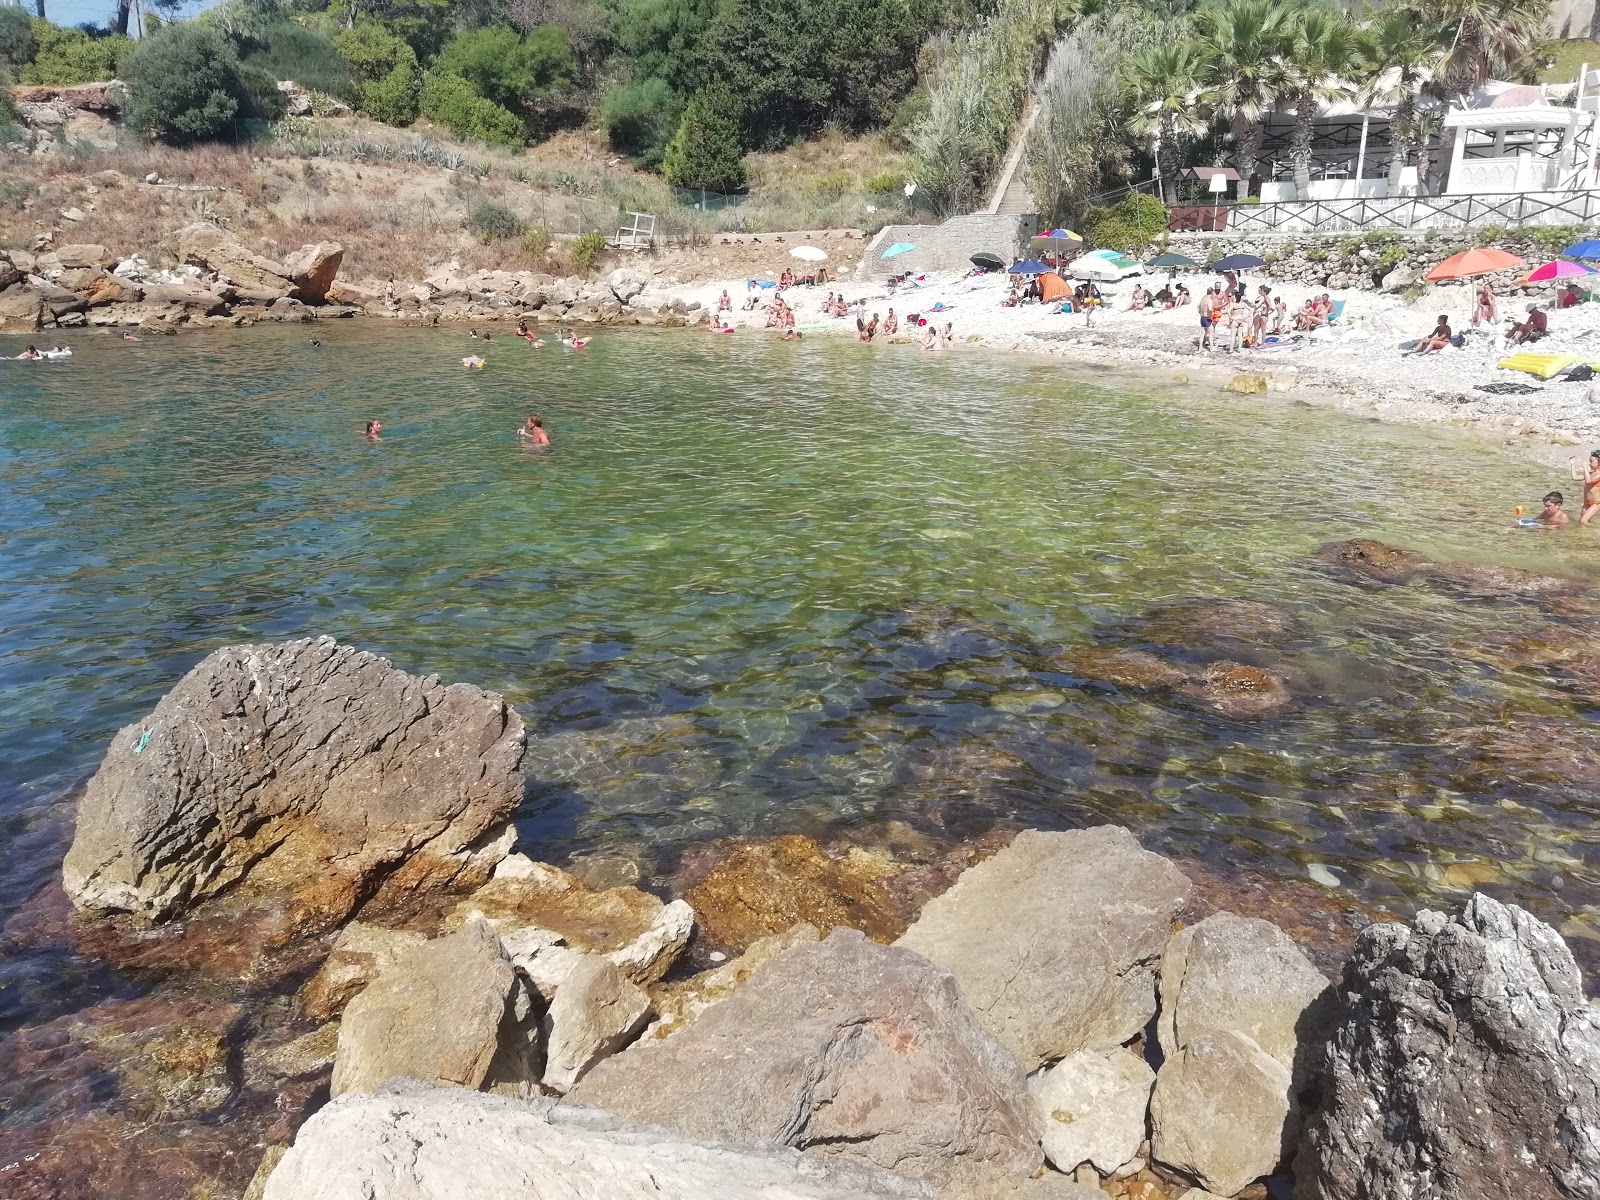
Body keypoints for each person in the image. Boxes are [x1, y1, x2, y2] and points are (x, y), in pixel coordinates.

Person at [1571, 450, 1600, 525]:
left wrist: (1585, 468)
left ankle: (1596, 529)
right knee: (1582, 523)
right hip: (1586, 503)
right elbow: (1575, 477)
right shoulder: (1590, 473)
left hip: (1596, 503)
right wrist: (1572, 464)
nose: (1589, 463)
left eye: (1591, 461)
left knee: (1583, 521)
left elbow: (1588, 481)